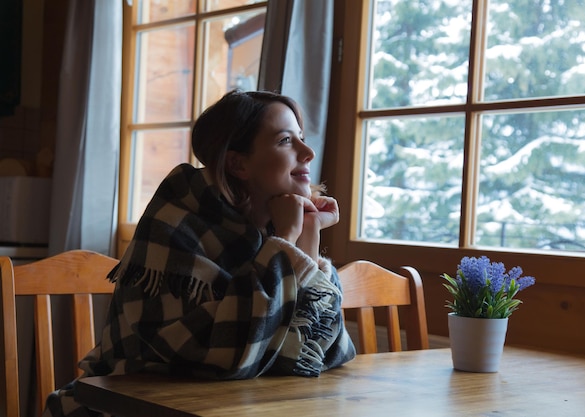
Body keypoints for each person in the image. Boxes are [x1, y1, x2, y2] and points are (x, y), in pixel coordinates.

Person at [43, 90, 356, 416]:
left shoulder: (271, 228)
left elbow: (327, 352)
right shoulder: (174, 224)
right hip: (123, 407)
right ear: (238, 163)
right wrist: (287, 245)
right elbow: (225, 358)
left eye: (302, 138)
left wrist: (307, 238)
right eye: (285, 141)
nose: (308, 152)